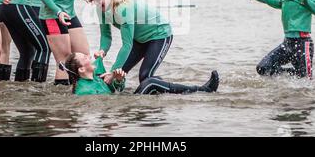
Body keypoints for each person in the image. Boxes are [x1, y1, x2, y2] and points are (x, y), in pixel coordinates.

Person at [88, 0, 172, 85]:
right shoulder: (100, 8)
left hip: (159, 34)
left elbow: (127, 45)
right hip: (138, 39)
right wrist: (102, 50)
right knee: (119, 74)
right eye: (93, 0)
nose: (96, 3)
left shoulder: (123, 9)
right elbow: (106, 35)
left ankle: (175, 90)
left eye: (98, 0)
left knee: (144, 76)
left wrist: (112, 71)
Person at [64, 52, 219, 95]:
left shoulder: (97, 78)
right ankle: (204, 90)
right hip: (126, 106)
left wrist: (118, 79)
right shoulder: (83, 90)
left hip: (126, 100)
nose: (88, 56)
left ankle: (191, 93)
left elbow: (117, 90)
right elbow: (105, 103)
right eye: (84, 57)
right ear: (82, 70)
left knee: (155, 80)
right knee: (150, 83)